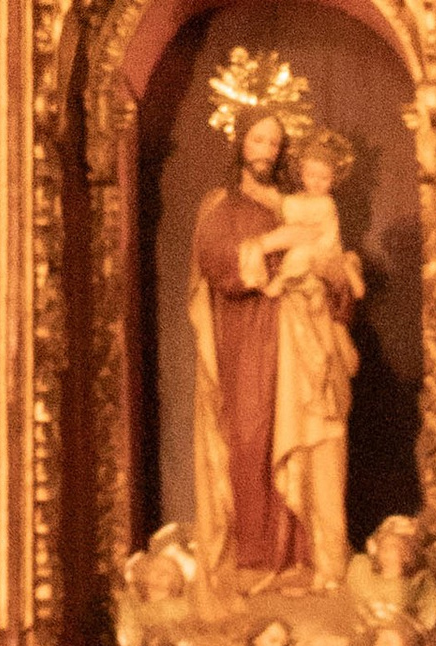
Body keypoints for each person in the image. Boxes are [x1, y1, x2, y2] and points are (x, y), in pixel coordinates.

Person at [191, 110, 305, 581]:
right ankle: (253, 556)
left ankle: (299, 558)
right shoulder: (223, 204)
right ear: (240, 143)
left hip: (297, 331)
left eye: (274, 143)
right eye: (258, 140)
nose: (266, 151)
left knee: (297, 435)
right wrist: (271, 247)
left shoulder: (292, 202)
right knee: (251, 432)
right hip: (245, 333)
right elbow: (218, 263)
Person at [253, 131, 364, 588]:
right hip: (301, 382)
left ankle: (332, 566)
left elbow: (338, 278)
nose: (317, 182)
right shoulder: (294, 298)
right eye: (311, 174)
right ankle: (316, 563)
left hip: (323, 385)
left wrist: (329, 284)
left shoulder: (324, 222)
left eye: (325, 176)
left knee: (327, 465)